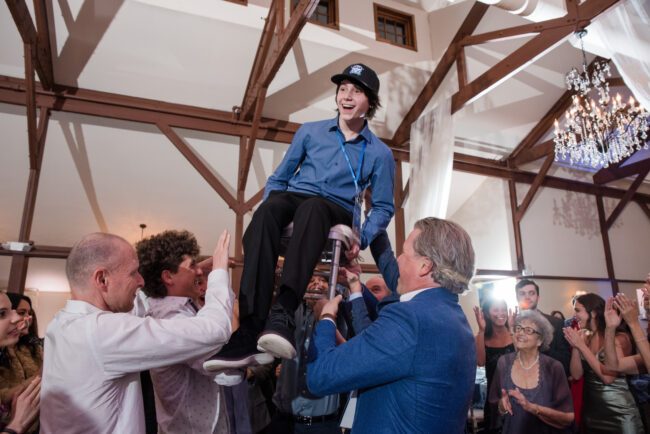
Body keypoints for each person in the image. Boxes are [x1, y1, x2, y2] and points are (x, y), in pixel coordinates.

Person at [205, 63, 395, 370]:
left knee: (314, 208)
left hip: (336, 206)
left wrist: (363, 238)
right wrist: (272, 209)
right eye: (343, 89)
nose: (346, 96)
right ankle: (250, 328)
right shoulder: (309, 131)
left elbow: (384, 206)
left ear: (370, 103)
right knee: (267, 213)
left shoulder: (380, 154)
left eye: (356, 91)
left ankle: (283, 312)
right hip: (295, 196)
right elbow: (278, 180)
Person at [40, 230, 235, 434]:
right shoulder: (102, 332)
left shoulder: (61, 324)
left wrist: (189, 273)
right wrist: (218, 274)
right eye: (133, 273)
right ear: (102, 279)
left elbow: (140, 303)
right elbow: (214, 330)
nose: (141, 281)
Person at [306, 217, 477, 433]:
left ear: (425, 266)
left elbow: (320, 376)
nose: (397, 260)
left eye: (404, 253)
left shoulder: (410, 318)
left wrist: (326, 317)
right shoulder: (455, 318)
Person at [135, 230, 232, 433]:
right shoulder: (172, 320)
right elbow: (225, 369)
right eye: (192, 266)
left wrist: (195, 271)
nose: (199, 271)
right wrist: (218, 274)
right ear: (168, 276)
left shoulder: (169, 307)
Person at [563, 293, 644, 433]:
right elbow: (576, 375)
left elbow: (608, 378)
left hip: (619, 413)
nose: (574, 315)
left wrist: (582, 347)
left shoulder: (618, 338)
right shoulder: (586, 338)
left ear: (593, 313)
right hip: (592, 411)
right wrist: (576, 347)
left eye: (577, 310)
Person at [490, 310, 574, 433]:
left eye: (528, 330)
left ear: (540, 340)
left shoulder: (554, 367)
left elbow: (568, 417)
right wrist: (502, 407)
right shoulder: (503, 363)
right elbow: (494, 404)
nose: (520, 333)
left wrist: (532, 408)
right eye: (518, 328)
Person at [0, 294, 42, 433]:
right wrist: (17, 424)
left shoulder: (34, 347)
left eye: (29, 313)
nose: (19, 318)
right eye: (2, 314)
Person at [474, 298, 514, 432]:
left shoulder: (514, 333)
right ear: (487, 314)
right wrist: (481, 330)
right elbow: (480, 362)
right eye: (495, 310)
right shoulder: (481, 337)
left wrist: (513, 329)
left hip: (516, 392)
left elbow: (523, 359)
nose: (500, 313)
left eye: (503, 309)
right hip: (494, 394)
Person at [516, 280, 571, 375]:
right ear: (517, 298)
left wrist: (541, 343)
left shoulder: (556, 323)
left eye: (531, 293)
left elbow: (565, 360)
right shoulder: (512, 323)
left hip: (550, 378)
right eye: (522, 294)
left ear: (538, 297)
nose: (527, 297)